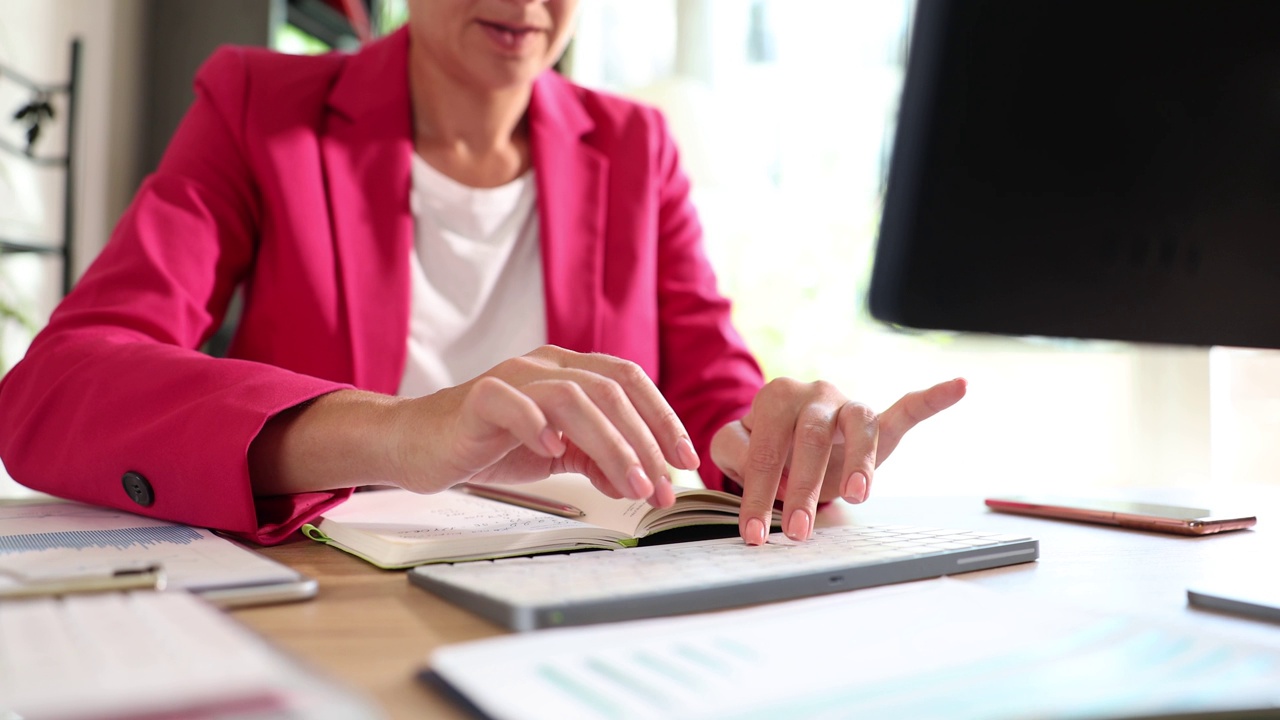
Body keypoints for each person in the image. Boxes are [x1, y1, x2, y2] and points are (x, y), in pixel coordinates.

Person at [0, 0, 965, 547]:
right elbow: (55, 388)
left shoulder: (636, 148)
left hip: (578, 614)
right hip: (331, 608)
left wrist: (783, 438)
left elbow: (714, 402)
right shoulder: (259, 107)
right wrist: (400, 431)